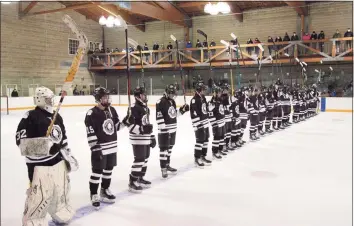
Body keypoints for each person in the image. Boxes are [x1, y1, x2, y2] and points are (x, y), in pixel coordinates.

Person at [16, 86, 78, 226]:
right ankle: (34, 219)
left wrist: (67, 154)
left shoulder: (57, 116)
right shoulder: (30, 116)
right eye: (48, 99)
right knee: (40, 195)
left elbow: (63, 138)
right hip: (40, 166)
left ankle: (60, 211)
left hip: (58, 161)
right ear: (40, 100)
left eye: (52, 99)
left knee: (60, 190)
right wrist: (44, 146)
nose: (51, 102)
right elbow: (21, 143)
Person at [84, 87, 126, 209]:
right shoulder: (91, 113)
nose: (107, 99)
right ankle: (93, 194)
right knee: (97, 172)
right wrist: (95, 148)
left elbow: (117, 126)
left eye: (108, 97)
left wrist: (126, 122)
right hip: (100, 148)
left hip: (112, 147)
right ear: (98, 99)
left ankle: (104, 189)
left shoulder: (112, 110)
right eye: (104, 97)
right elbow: (90, 132)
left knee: (108, 170)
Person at [126, 86, 155, 192]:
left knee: (145, 158)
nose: (145, 97)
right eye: (143, 95)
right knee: (139, 159)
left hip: (146, 138)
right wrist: (142, 130)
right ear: (138, 96)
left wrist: (151, 136)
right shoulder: (133, 108)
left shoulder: (146, 107)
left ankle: (140, 177)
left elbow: (147, 123)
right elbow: (129, 125)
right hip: (137, 138)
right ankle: (132, 181)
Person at [156, 84, 189, 178]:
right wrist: (164, 129)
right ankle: (163, 168)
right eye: (171, 94)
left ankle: (167, 164)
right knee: (164, 149)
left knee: (169, 148)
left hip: (173, 129)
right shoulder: (160, 102)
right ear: (167, 92)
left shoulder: (172, 102)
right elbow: (159, 118)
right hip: (165, 130)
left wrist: (182, 110)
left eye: (173, 94)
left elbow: (174, 114)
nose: (172, 95)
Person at [190, 81, 212, 168]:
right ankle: (197, 158)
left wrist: (211, 106)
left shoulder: (203, 98)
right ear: (199, 90)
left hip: (205, 123)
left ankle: (203, 156)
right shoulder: (194, 100)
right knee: (200, 141)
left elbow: (206, 109)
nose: (204, 91)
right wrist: (198, 124)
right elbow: (194, 114)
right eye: (203, 89)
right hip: (199, 124)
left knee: (206, 140)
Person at [208, 85, 226, 159]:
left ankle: (220, 149)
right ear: (215, 93)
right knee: (217, 137)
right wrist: (214, 124)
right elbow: (210, 114)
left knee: (222, 136)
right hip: (217, 123)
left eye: (220, 93)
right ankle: (214, 151)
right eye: (218, 93)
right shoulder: (212, 102)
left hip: (222, 122)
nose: (219, 94)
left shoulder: (220, 100)